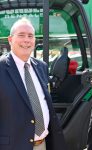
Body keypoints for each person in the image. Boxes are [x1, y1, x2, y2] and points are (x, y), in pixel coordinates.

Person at [0, 17, 67, 150]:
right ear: (10, 39)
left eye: (30, 36)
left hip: (42, 144)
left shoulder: (41, 66)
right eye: (21, 35)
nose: (26, 40)